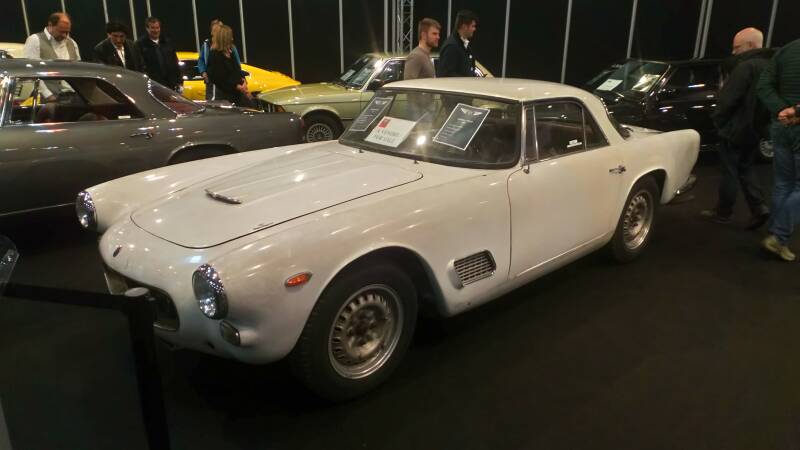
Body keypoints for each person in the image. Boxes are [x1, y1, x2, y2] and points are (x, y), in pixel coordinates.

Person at [700, 28, 772, 229]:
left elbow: (727, 100)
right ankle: (759, 207)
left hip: (735, 129)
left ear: (750, 45)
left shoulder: (745, 67)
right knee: (746, 169)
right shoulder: (771, 67)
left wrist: (719, 121)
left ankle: (723, 212)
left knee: (730, 172)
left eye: (737, 47)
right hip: (756, 130)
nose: (733, 52)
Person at [757, 38, 800, 261]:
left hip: (780, 127)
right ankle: (778, 237)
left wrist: (781, 110)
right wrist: (795, 112)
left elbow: (763, 85)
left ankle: (774, 234)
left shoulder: (787, 49)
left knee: (783, 184)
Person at [206, 24, 252, 107]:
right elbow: (220, 79)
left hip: (236, 94)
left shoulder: (230, 52)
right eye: (230, 37)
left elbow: (237, 70)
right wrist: (238, 87)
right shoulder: (215, 55)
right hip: (224, 98)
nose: (232, 39)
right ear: (224, 39)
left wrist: (243, 82)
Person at [198, 19, 243, 100]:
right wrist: (203, 72)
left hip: (229, 88)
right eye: (216, 30)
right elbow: (201, 60)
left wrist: (240, 81)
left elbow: (237, 65)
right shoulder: (207, 45)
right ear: (212, 32)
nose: (219, 32)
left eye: (220, 29)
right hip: (214, 85)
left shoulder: (231, 48)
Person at [135, 17, 182, 91]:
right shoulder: (140, 45)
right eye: (153, 28)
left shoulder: (167, 42)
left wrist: (179, 81)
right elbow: (140, 66)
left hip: (170, 85)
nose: (156, 30)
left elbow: (175, 62)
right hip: (152, 85)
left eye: (157, 28)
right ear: (147, 29)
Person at [436, 10, 477, 78]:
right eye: (472, 26)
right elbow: (445, 75)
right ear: (464, 26)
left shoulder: (463, 45)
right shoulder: (451, 47)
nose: (474, 29)